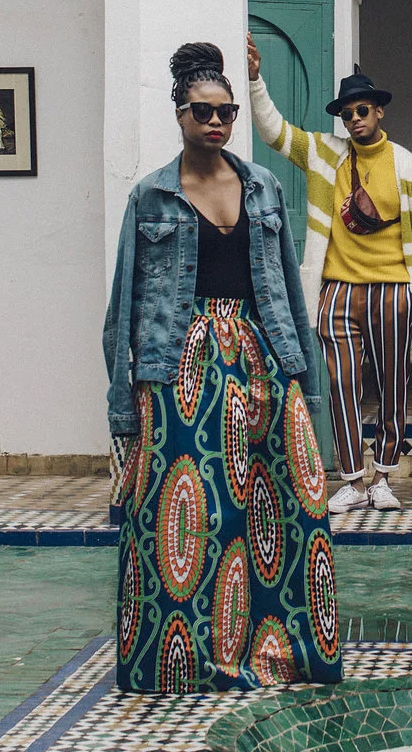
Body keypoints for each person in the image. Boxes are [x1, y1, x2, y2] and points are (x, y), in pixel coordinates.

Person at [101, 42, 341, 693]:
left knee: (283, 505)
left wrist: (306, 386)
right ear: (179, 113)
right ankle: (181, 659)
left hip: (262, 360)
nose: (216, 121)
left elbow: (290, 293)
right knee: (194, 513)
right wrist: (124, 407)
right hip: (180, 368)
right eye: (203, 111)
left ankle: (278, 653)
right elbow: (121, 307)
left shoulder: (261, 187)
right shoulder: (149, 196)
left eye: (227, 111)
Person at [246, 39, 412, 514]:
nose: (354, 119)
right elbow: (274, 131)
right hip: (336, 290)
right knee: (342, 385)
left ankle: (383, 477)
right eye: (347, 113)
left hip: (391, 292)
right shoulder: (325, 154)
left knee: (393, 384)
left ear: (379, 112)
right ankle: (354, 480)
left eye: (362, 110)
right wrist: (255, 79)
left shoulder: (410, 167)